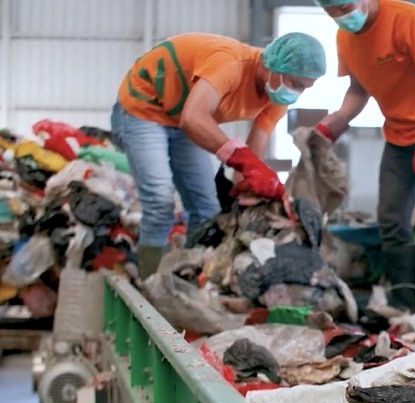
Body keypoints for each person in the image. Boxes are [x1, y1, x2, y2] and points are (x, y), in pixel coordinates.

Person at [110, 32, 326, 278]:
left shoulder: (275, 94)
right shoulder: (231, 65)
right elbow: (193, 117)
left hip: (182, 118)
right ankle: (147, 284)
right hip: (145, 108)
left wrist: (249, 190)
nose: (298, 93)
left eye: (305, 88)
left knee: (207, 210)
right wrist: (243, 162)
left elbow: (254, 153)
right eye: (296, 83)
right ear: (274, 65)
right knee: (160, 203)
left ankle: (186, 280)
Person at [310, 0, 415, 322]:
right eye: (332, 11)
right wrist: (336, 122)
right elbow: (358, 89)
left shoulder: (406, 18)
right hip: (400, 133)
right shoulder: (346, 36)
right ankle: (409, 307)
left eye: (345, 6)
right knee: (391, 218)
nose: (342, 15)